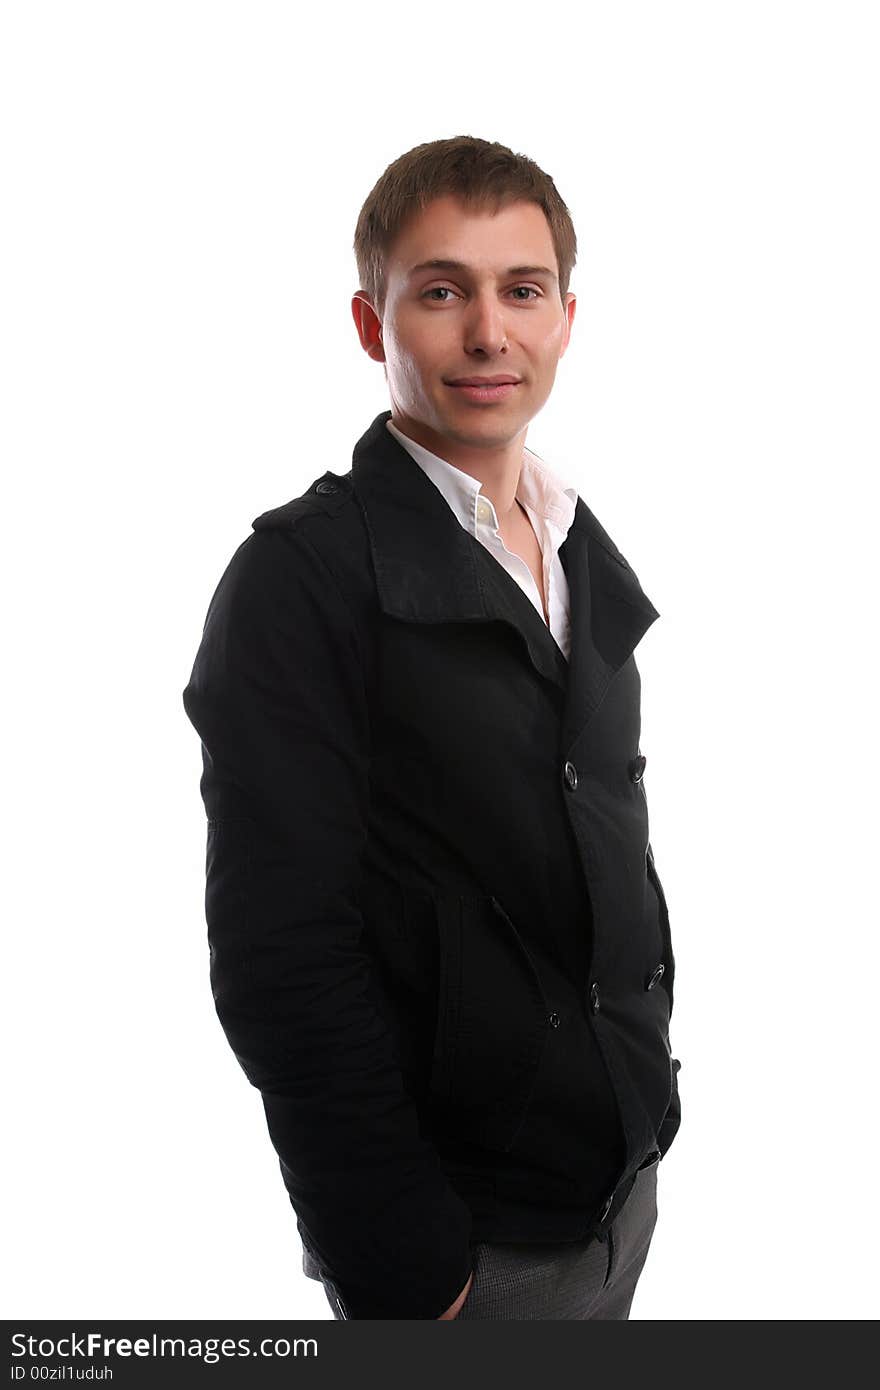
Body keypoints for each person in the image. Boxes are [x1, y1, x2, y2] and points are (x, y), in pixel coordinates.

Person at [181, 134, 682, 1321]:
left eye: (522, 290)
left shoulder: (572, 538)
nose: (488, 332)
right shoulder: (299, 577)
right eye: (442, 290)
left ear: (566, 317)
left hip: (616, 1179)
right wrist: (403, 1259)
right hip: (460, 1241)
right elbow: (279, 954)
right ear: (373, 324)